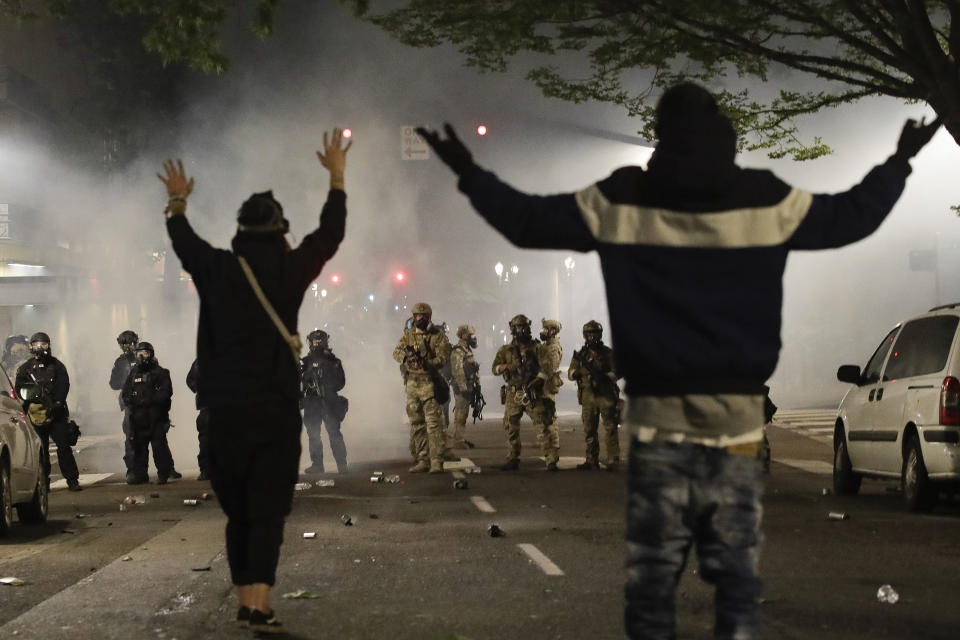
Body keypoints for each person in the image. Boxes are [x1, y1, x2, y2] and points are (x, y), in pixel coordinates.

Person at [417, 83, 941, 639]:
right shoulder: (762, 198)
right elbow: (850, 218)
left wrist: (467, 171)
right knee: (735, 575)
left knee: (653, 574)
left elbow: (525, 220)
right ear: (721, 133)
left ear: (661, 135)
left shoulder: (623, 200)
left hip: (658, 415)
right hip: (736, 415)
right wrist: (900, 161)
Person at [158, 129, 349, 633]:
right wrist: (336, 177)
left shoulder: (217, 270)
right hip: (273, 410)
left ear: (239, 230)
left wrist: (177, 199)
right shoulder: (290, 271)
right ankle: (257, 603)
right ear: (281, 231)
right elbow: (329, 235)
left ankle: (249, 600)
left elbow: (183, 240)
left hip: (222, 413)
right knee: (267, 511)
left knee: (238, 512)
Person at [15, 332, 81, 491]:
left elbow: (64, 384)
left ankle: (72, 480)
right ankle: (43, 482)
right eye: (37, 344)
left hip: (56, 413)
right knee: (41, 451)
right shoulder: (25, 368)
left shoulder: (57, 365)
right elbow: (20, 389)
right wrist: (33, 397)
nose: (40, 347)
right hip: (35, 414)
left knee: (64, 447)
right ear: (31, 346)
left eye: (44, 344)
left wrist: (57, 402)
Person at [392, 302, 452, 473]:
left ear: (429, 317)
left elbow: (443, 358)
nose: (420, 319)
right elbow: (396, 352)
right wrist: (407, 358)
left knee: (433, 424)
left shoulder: (438, 337)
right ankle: (423, 458)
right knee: (417, 423)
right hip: (412, 384)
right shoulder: (408, 336)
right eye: (417, 316)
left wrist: (426, 363)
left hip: (429, 383)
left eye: (423, 316)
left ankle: (436, 460)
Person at [568, 320, 621, 471]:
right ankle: (591, 459)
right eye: (590, 334)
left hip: (606, 395)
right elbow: (571, 373)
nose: (593, 337)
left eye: (595, 333)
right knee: (589, 429)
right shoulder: (580, 355)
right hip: (588, 397)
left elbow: (618, 371)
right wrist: (578, 372)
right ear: (585, 335)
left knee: (610, 427)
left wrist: (606, 377)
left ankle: (613, 459)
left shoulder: (608, 353)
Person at [490, 314, 541, 471]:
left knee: (543, 423)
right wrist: (506, 367)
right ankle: (513, 457)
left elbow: (546, 367)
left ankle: (551, 457)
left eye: (524, 326)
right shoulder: (506, 350)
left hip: (532, 390)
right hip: (513, 392)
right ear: (513, 329)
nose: (522, 330)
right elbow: (495, 369)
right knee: (511, 427)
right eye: (519, 327)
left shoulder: (537, 347)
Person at [121, 342, 174, 484]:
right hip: (138, 418)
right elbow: (125, 392)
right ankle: (140, 474)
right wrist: (131, 401)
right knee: (138, 448)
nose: (141, 356)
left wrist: (151, 400)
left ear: (150, 354)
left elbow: (166, 392)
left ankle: (163, 473)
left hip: (155, 417)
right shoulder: (133, 373)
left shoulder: (160, 372)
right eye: (138, 353)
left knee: (159, 447)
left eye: (144, 353)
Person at [299, 329, 349, 475]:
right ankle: (317, 465)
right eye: (314, 341)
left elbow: (341, 382)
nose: (316, 344)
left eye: (319, 341)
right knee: (313, 434)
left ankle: (342, 465)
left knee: (333, 432)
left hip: (328, 400)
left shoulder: (333, 361)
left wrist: (327, 385)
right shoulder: (305, 362)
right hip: (312, 401)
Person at [449, 324, 480, 449]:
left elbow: (471, 369)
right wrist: (463, 388)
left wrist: (477, 385)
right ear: (464, 335)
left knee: (464, 413)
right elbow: (458, 371)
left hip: (468, 385)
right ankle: (458, 440)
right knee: (460, 414)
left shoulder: (467, 350)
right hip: (462, 387)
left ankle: (459, 438)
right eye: (471, 335)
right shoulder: (458, 351)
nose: (474, 338)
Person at [186, 359, 211, 481]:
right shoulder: (198, 362)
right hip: (206, 408)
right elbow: (189, 380)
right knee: (205, 441)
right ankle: (206, 470)